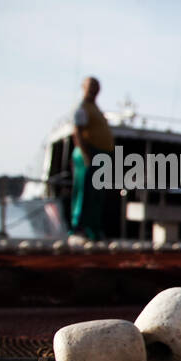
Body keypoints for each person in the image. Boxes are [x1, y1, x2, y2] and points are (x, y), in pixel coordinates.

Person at [69, 77, 115, 242]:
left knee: (96, 194)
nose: (94, 90)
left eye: (96, 87)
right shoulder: (82, 107)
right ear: (83, 87)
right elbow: (78, 131)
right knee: (84, 192)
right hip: (88, 154)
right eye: (91, 86)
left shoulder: (95, 108)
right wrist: (85, 154)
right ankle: (78, 229)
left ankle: (92, 229)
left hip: (100, 156)